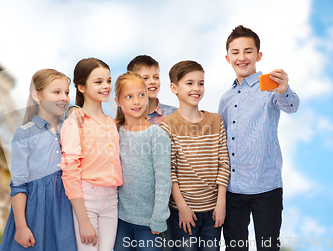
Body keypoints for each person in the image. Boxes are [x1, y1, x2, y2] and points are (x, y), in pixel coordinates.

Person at [219, 25, 300, 250]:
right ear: (228, 58)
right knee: (235, 248)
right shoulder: (225, 98)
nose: (242, 57)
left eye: (248, 51)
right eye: (235, 52)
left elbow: (291, 105)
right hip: (233, 190)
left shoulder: (271, 86)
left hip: (266, 187)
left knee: (268, 247)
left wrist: (284, 89)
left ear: (258, 55)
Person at [0, 69, 77, 251]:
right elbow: (18, 184)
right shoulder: (24, 133)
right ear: (37, 95)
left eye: (66, 92)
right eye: (56, 92)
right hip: (35, 212)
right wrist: (21, 226)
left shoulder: (70, 128)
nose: (64, 97)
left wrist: (75, 109)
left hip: (67, 210)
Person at [160, 60, 231, 251]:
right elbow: (169, 170)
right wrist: (182, 207)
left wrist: (221, 203)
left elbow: (224, 163)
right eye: (189, 83)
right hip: (183, 213)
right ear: (174, 88)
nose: (196, 88)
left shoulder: (216, 121)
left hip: (213, 211)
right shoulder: (168, 125)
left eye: (201, 83)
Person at [60, 58, 123, 251]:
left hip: (112, 199)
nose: (106, 86)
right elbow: (69, 172)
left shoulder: (113, 123)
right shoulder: (74, 122)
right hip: (87, 198)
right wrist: (83, 220)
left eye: (108, 81)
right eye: (98, 82)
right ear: (81, 87)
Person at [112, 71, 172, 251]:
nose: (136, 101)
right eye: (129, 96)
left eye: (141, 95)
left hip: (149, 222)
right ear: (118, 101)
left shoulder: (157, 135)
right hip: (122, 219)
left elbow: (163, 180)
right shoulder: (115, 131)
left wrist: (158, 218)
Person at [127, 55, 178, 124]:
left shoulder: (174, 114)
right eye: (145, 78)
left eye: (156, 77)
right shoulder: (125, 119)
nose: (152, 81)